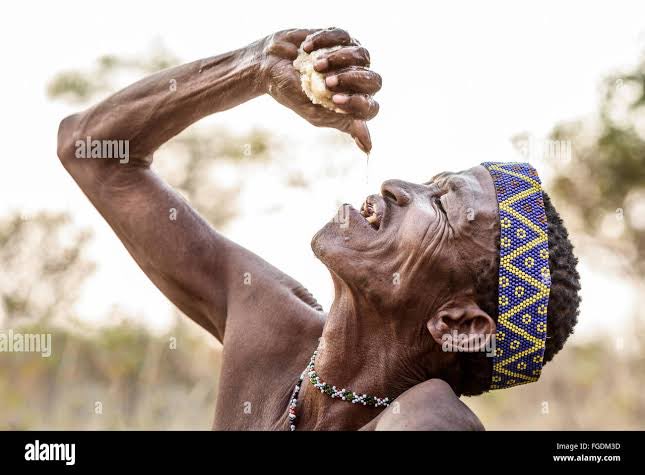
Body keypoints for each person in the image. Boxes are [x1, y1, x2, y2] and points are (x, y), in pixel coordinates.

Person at [56, 28, 581, 430]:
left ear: (458, 325)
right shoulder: (271, 328)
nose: (400, 186)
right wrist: (255, 67)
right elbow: (90, 151)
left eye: (442, 204)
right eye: (430, 182)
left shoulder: (425, 418)